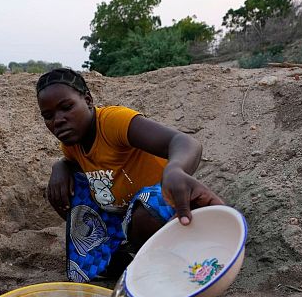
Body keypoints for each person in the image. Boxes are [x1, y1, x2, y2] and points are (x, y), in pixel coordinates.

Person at [37, 68, 223, 283]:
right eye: (48, 116)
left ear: (88, 100)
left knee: (143, 216)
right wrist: (60, 166)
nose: (58, 120)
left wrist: (175, 170)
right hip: (122, 212)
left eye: (66, 107)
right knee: (62, 192)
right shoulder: (72, 144)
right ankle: (119, 260)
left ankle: (169, 265)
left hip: (166, 204)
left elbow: (185, 142)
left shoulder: (113, 122)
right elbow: (72, 165)